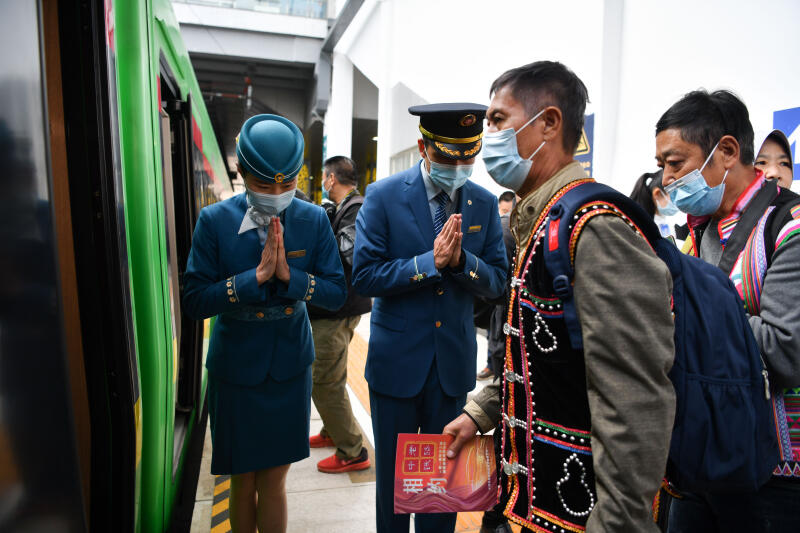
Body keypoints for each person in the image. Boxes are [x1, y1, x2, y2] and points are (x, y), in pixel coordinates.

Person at [443, 61, 676, 533]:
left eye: (496, 120)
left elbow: (634, 399)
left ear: (548, 123)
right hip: (524, 504)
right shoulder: (543, 217)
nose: (486, 136)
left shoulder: (595, 228)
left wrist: (617, 524)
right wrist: (482, 411)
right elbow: (536, 357)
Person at [182, 114, 347, 533]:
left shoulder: (313, 220)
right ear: (241, 172)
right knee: (242, 479)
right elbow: (194, 300)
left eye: (286, 185)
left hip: (289, 367)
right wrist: (249, 281)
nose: (276, 194)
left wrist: (294, 280)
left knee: (274, 480)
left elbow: (335, 292)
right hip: (236, 368)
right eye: (263, 185)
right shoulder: (214, 222)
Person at [352, 103, 508, 533]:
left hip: (451, 368)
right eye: (446, 157)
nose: (458, 167)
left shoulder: (483, 202)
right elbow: (365, 276)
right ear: (423, 146)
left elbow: (497, 283)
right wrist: (429, 263)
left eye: (467, 158)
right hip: (396, 366)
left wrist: (461, 264)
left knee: (443, 491)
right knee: (395, 495)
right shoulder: (383, 196)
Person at [656, 90, 800, 533]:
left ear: (727, 152)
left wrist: (690, 319)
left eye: (676, 163)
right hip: (701, 453)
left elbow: (786, 350)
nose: (666, 178)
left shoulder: (788, 228)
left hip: (770, 468)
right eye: (661, 164)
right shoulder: (697, 233)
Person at [307, 155, 372, 473]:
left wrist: (314, 229)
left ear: (331, 178)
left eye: (324, 176)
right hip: (334, 307)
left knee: (325, 380)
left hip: (338, 309)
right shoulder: (343, 208)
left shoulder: (356, 208)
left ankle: (353, 450)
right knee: (332, 374)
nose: (323, 181)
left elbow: (348, 255)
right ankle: (332, 431)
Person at [477, 191, 516, 381]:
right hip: (503, 302)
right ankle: (491, 367)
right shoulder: (504, 226)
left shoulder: (504, 228)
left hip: (504, 301)